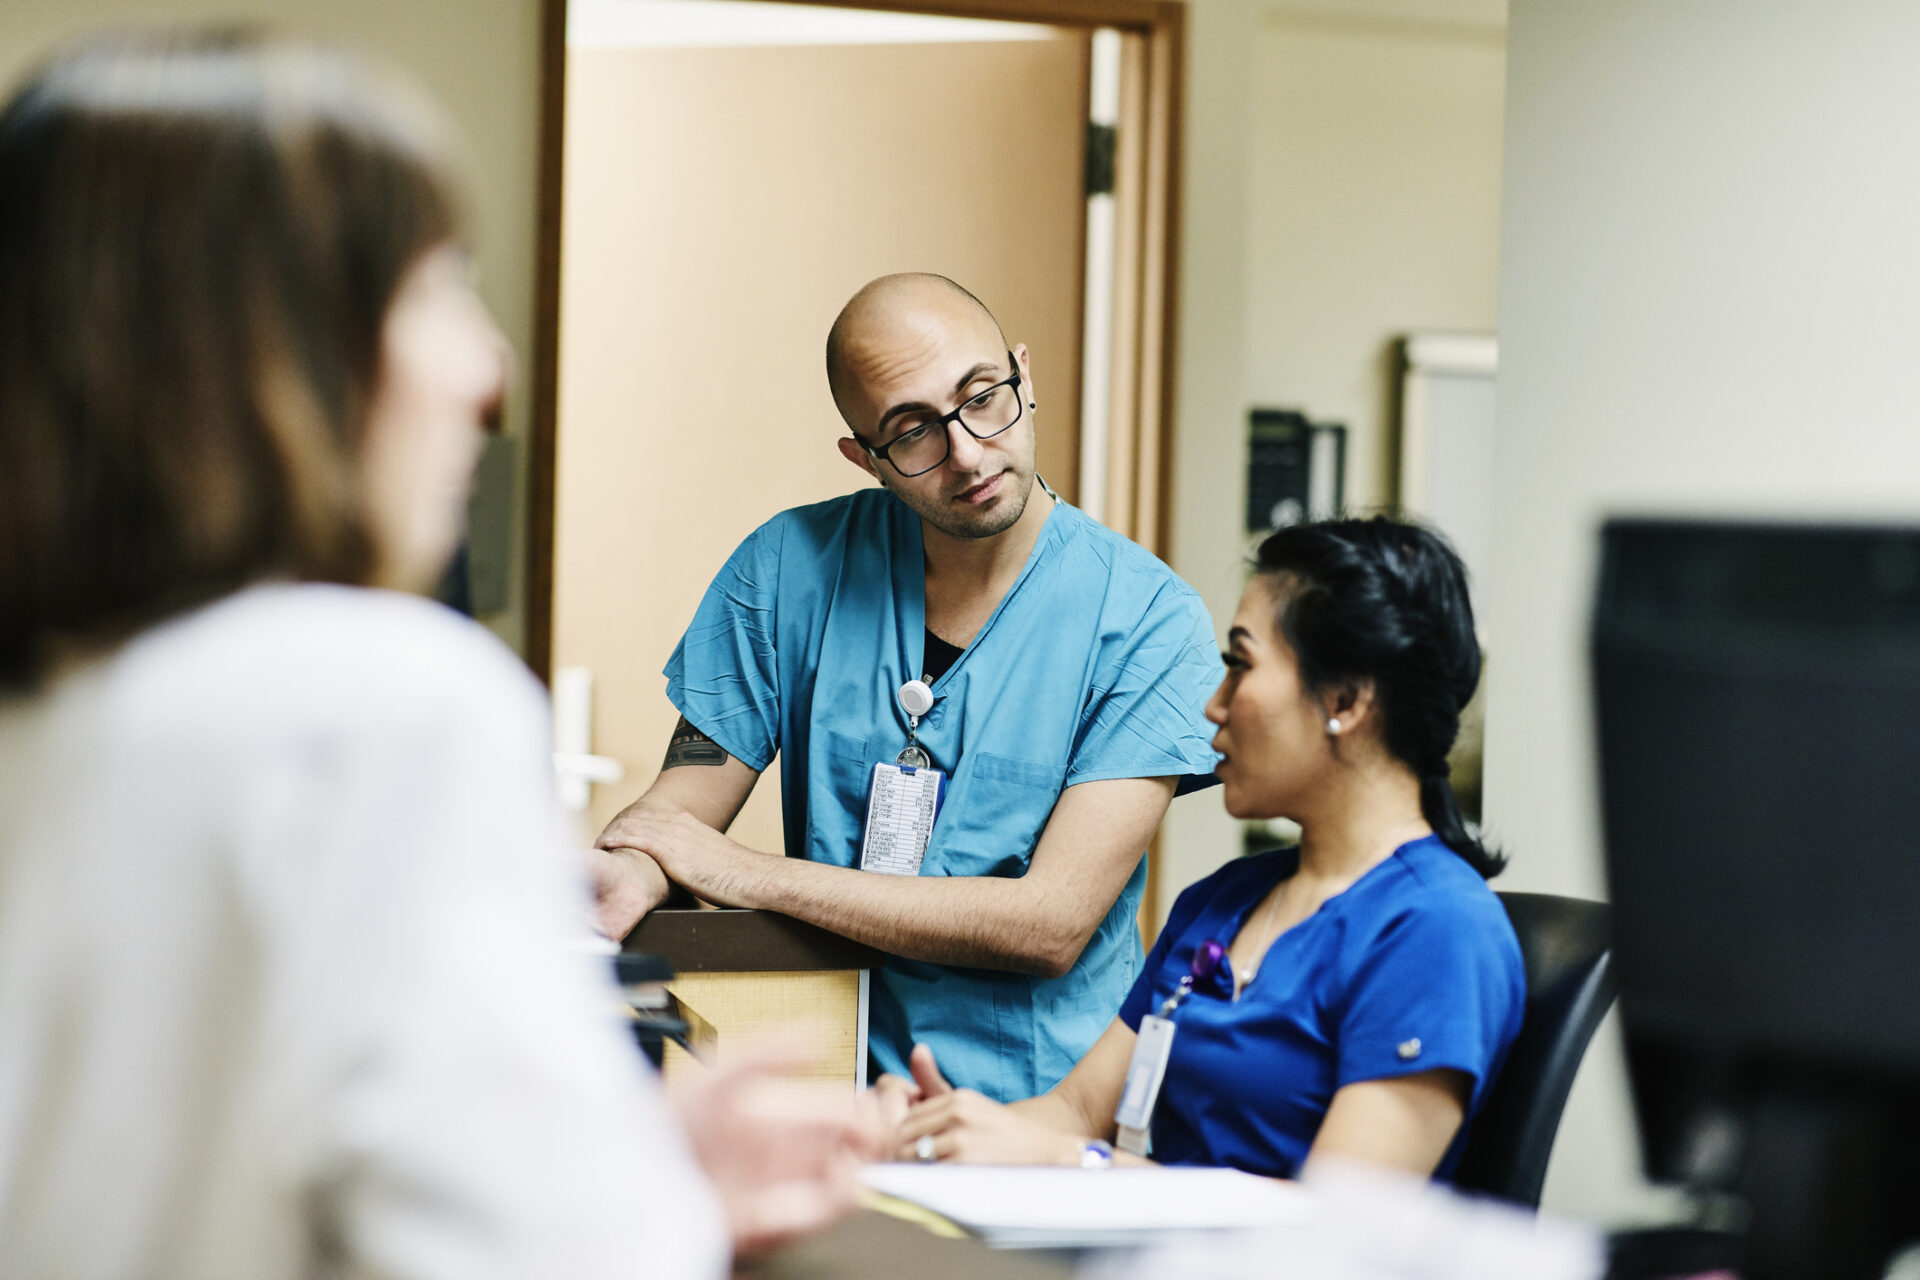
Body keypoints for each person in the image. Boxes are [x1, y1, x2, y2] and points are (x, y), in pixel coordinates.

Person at [0, 30, 873, 1279]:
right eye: (436, 288)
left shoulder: (54, 707)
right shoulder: (378, 705)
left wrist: (585, 1157)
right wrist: (664, 1211)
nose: (489, 368)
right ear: (268, 347)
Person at [589, 273, 1223, 1101]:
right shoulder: (789, 569)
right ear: (864, 457)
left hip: (1033, 1117)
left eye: (982, 397)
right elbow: (677, 818)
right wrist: (633, 871)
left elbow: (1050, 924)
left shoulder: (1148, 621)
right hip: (829, 1093)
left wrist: (744, 873)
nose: (966, 452)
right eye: (912, 432)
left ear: (1024, 378)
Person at [884, 518, 1526, 1182]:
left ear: (1346, 698)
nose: (1212, 707)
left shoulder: (1437, 930)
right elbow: (1075, 1113)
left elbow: (1333, 1232)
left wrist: (1077, 1162)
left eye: (1239, 667)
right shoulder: (1225, 900)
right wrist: (927, 1130)